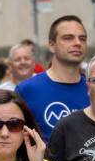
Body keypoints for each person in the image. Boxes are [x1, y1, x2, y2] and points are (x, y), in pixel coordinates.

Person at [15, 15, 89, 143]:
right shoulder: (27, 90)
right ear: (51, 45)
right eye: (68, 38)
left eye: (82, 38)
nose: (77, 43)